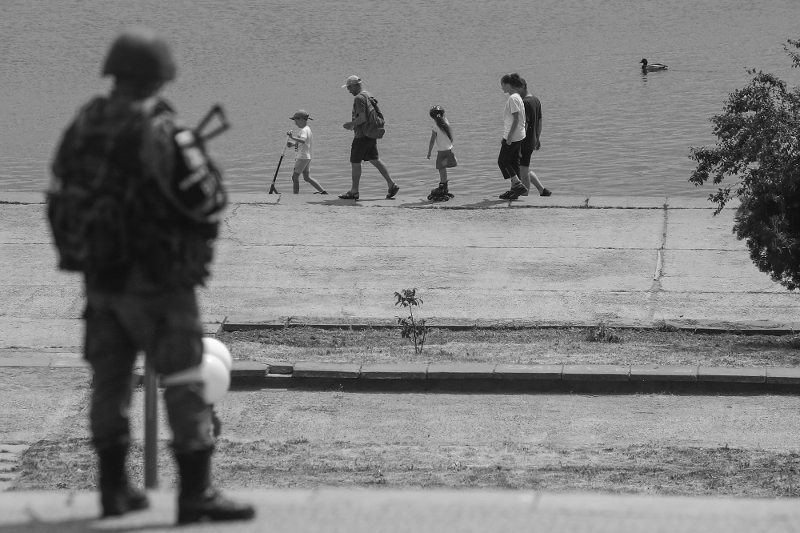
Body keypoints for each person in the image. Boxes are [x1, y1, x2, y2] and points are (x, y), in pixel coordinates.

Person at [47, 28, 254, 525]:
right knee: (184, 375)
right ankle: (196, 495)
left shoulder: (84, 122)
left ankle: (115, 492)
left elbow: (58, 194)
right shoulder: (160, 129)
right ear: (160, 75)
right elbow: (206, 200)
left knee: (110, 381)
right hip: (158, 281)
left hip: (100, 276)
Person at [339, 75, 399, 200]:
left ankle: (354, 191)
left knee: (355, 162)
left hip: (362, 135)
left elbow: (362, 118)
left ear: (355, 85)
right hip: (370, 133)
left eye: (349, 87)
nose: (349, 90)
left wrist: (350, 124)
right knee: (374, 159)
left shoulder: (359, 98)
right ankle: (391, 184)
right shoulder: (368, 95)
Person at [497, 73, 528, 200]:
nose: (502, 88)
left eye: (503, 85)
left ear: (508, 85)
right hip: (518, 134)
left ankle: (519, 185)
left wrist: (508, 137)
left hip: (514, 135)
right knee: (514, 162)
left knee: (503, 161)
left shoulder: (513, 99)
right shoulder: (517, 97)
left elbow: (516, 119)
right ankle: (514, 189)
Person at [519, 78, 552, 196]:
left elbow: (525, 124)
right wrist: (537, 138)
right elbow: (540, 121)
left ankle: (524, 196)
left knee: (522, 169)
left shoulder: (524, 102)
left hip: (524, 141)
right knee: (522, 167)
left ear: (521, 87)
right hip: (532, 139)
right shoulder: (536, 100)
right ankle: (542, 190)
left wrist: (518, 142)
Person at [286, 110, 327, 194]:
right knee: (306, 177)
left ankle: (295, 196)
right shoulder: (307, 129)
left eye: (295, 120)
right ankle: (323, 192)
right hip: (307, 157)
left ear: (301, 119)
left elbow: (303, 140)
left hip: (302, 157)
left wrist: (292, 137)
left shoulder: (303, 130)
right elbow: (304, 143)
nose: (295, 123)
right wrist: (294, 144)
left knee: (295, 177)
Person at [426, 105, 457, 201]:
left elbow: (432, 141)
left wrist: (429, 152)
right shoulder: (446, 123)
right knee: (442, 169)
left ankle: (442, 186)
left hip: (442, 152)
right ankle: (444, 186)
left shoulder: (435, 127)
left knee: (441, 168)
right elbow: (442, 118)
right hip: (450, 150)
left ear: (432, 117)